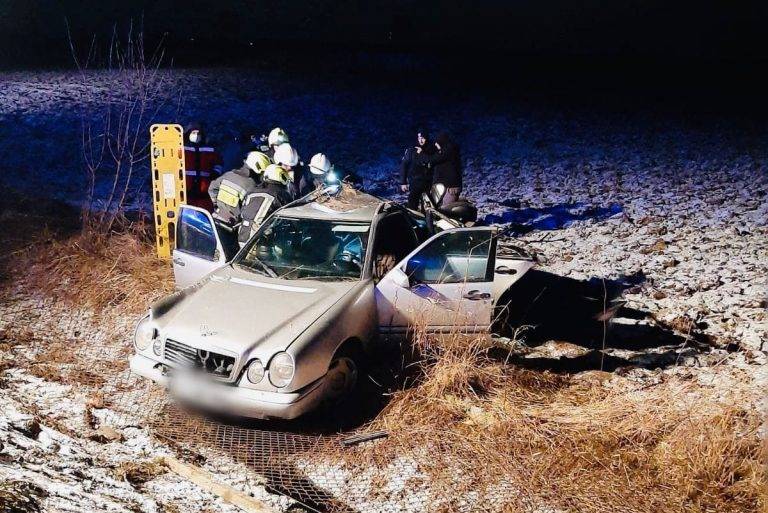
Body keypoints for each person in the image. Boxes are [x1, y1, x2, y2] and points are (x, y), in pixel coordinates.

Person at [237, 163, 295, 245]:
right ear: (281, 177)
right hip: (262, 241)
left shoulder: (252, 192)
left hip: (243, 236)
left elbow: (243, 212)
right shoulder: (280, 194)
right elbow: (291, 217)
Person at [208, 153, 262, 227]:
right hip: (233, 225)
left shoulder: (228, 175)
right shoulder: (252, 186)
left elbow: (212, 189)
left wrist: (216, 205)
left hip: (216, 217)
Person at [184, 123, 223, 211]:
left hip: (204, 189)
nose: (196, 135)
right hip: (186, 189)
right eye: (193, 133)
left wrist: (215, 173)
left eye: (198, 133)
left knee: (204, 211)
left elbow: (218, 163)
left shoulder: (210, 149)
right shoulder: (182, 148)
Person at [417, 131, 462, 205]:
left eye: (437, 143)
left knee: (447, 208)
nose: (436, 145)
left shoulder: (447, 152)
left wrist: (421, 153)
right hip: (447, 186)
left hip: (450, 187)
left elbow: (432, 159)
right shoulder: (449, 151)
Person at [399, 129, 435, 210]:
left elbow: (433, 162)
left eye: (423, 138)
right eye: (419, 138)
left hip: (428, 182)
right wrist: (403, 182)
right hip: (415, 181)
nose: (421, 140)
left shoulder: (432, 149)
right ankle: (412, 219)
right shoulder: (411, 150)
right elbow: (404, 165)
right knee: (412, 203)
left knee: (428, 205)